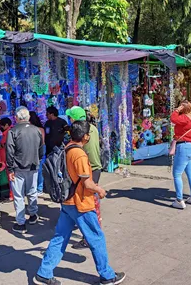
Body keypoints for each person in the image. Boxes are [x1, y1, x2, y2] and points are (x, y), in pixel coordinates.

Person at [34, 120, 125, 285]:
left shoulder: (67, 148)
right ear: (85, 136)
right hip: (81, 203)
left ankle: (44, 272)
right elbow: (87, 183)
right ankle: (107, 275)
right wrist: (100, 190)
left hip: (67, 202)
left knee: (60, 237)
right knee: (96, 238)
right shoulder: (80, 154)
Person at [65, 106, 103, 250]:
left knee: (88, 203)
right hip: (95, 167)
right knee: (90, 202)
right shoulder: (92, 128)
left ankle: (90, 236)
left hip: (89, 170)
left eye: (70, 117)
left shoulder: (80, 133)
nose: (69, 120)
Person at [6, 106, 44, 233]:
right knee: (32, 192)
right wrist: (37, 159)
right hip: (33, 166)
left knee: (19, 195)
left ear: (16, 118)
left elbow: (9, 151)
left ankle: (21, 223)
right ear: (28, 117)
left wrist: (10, 169)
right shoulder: (36, 130)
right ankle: (33, 215)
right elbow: (41, 149)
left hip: (18, 167)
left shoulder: (13, 131)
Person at [170, 101, 191, 209]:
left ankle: (179, 200)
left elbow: (173, 118)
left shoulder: (185, 118)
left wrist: (177, 109)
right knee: (190, 173)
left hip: (184, 147)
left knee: (177, 174)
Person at [29, 111, 46, 195]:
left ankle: (37, 188)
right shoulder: (41, 128)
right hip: (42, 147)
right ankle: (39, 188)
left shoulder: (32, 128)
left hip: (37, 148)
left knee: (36, 169)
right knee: (39, 169)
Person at [0, 117, 13, 201]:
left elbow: (5, 144)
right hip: (6, 157)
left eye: (2, 126)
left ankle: (12, 194)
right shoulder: (7, 132)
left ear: (6, 125)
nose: (1, 128)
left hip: (8, 157)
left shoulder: (9, 133)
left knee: (11, 176)